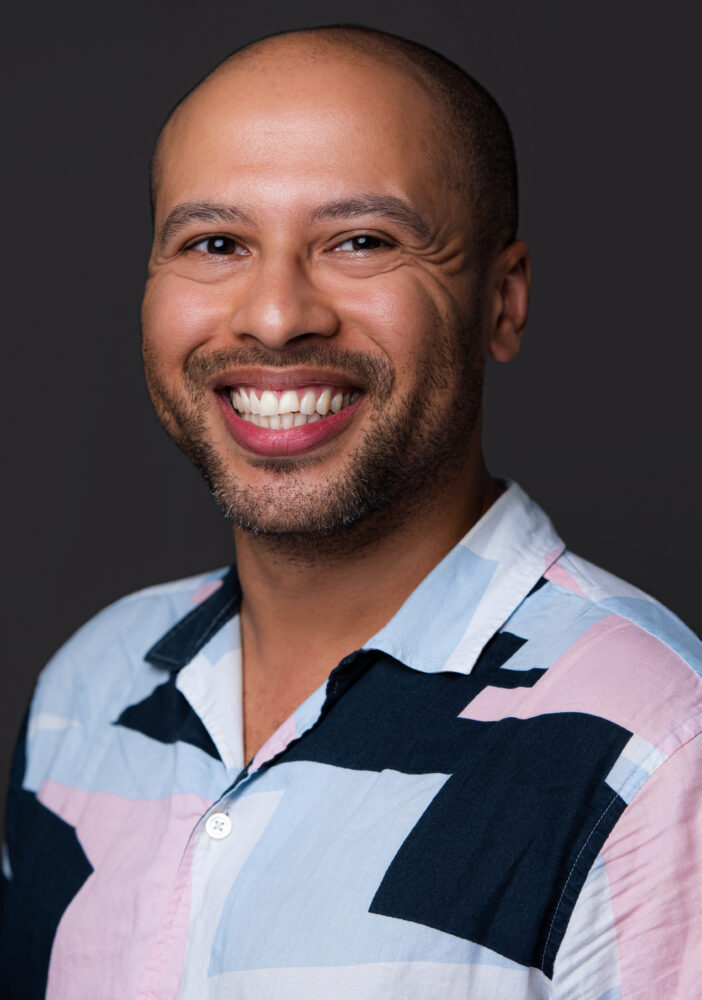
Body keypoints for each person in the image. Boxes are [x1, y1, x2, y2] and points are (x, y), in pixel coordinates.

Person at [1, 24, 700, 1000]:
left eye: (362, 241)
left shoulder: (660, 751)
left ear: (502, 300)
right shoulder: (87, 690)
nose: (277, 314)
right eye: (215, 243)